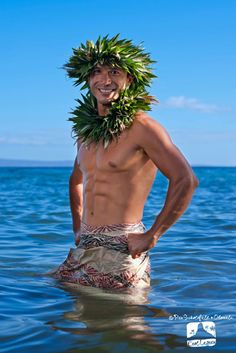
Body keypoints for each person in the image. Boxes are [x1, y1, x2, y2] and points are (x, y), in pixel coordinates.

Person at [53, 34, 199, 289]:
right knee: (67, 322)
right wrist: (78, 226)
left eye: (115, 72)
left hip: (124, 250)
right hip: (84, 250)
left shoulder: (143, 128)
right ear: (88, 79)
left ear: (129, 79)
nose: (105, 80)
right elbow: (76, 180)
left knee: (128, 325)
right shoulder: (86, 134)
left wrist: (152, 236)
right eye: (97, 71)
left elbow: (186, 180)